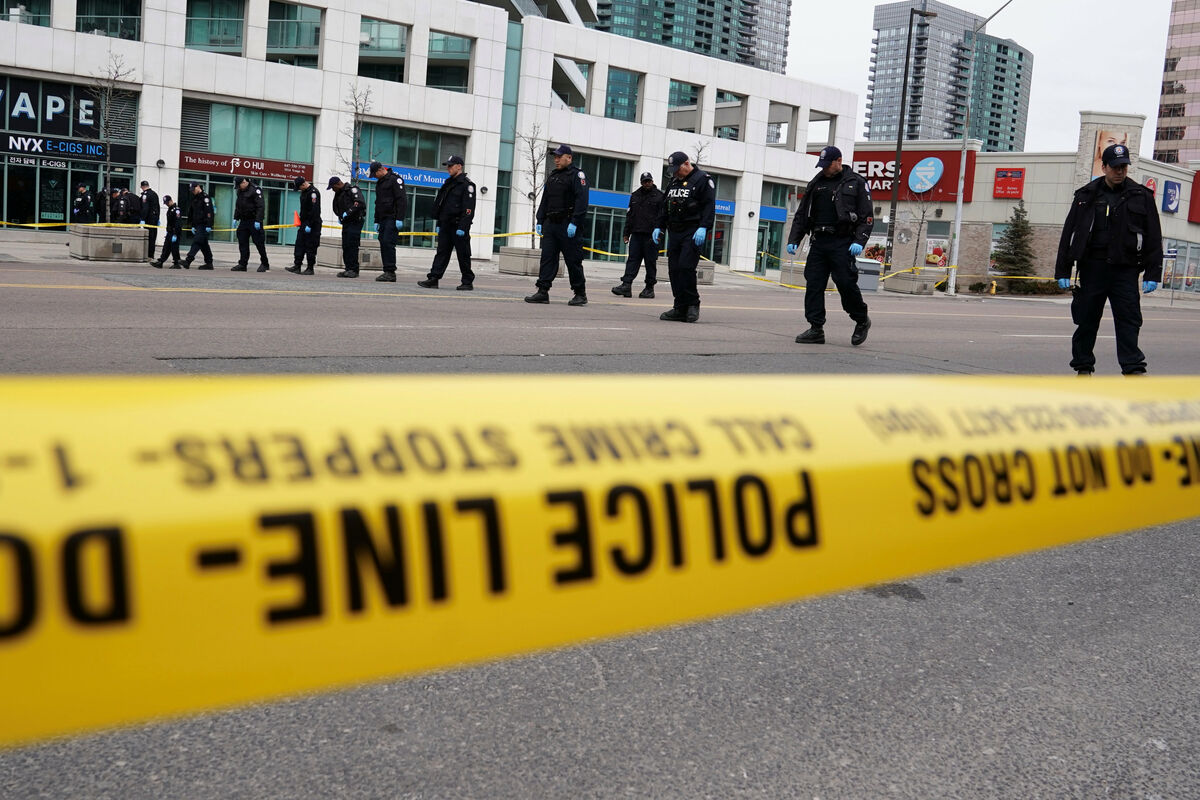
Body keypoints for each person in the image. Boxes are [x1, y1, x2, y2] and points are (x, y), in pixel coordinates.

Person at [1055, 143, 1162, 376]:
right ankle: (1083, 366)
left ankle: (1133, 368)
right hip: (1092, 268)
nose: (1120, 171)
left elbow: (1153, 237)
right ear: (1104, 167)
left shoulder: (1141, 196)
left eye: (1123, 166)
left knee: (1129, 321)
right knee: (1087, 320)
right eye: (1115, 167)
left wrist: (1153, 273)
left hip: (1126, 269)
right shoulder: (1086, 195)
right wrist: (1063, 270)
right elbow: (1069, 233)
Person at [786, 145, 873, 346]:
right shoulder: (815, 183)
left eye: (827, 165)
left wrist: (859, 241)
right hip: (819, 241)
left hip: (842, 242)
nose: (824, 168)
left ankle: (861, 319)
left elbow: (866, 217)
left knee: (845, 284)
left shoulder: (856, 183)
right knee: (814, 284)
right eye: (822, 165)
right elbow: (802, 215)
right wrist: (794, 239)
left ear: (839, 161)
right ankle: (816, 328)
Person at [653, 151, 714, 322]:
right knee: (674, 270)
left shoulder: (703, 180)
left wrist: (704, 227)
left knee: (686, 267)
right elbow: (665, 206)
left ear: (687, 164)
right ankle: (679, 307)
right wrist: (658, 225)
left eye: (677, 170)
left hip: (692, 231)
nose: (676, 174)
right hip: (675, 231)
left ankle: (693, 304)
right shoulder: (674, 182)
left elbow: (709, 206)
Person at [526, 144, 590, 305]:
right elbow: (545, 199)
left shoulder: (577, 175)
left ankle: (580, 293)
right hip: (551, 224)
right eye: (555, 157)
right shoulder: (553, 176)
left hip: (567, 224)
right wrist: (540, 220)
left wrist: (574, 222)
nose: (556, 160)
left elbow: (582, 201)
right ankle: (542, 291)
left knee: (573, 261)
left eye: (559, 157)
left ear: (569, 157)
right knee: (547, 259)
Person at [418, 155, 477, 290]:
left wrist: (463, 227)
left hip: (458, 225)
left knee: (463, 254)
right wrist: (439, 223)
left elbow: (469, 209)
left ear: (459, 166)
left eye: (451, 166)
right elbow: (443, 206)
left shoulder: (467, 185)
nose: (448, 168)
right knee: (442, 252)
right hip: (446, 224)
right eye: (448, 166)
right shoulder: (448, 183)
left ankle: (467, 282)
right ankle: (433, 278)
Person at [612, 171, 664, 299]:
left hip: (651, 236)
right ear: (641, 182)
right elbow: (630, 216)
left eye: (649, 181)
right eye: (645, 181)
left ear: (652, 181)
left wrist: (660, 232)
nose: (647, 183)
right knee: (632, 260)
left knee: (650, 262)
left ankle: (649, 288)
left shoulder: (659, 196)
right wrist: (626, 233)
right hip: (636, 234)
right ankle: (626, 285)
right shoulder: (635, 196)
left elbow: (663, 217)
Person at [371, 161, 408, 282]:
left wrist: (399, 218)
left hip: (392, 217)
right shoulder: (380, 183)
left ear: (380, 170)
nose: (374, 177)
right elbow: (378, 203)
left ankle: (390, 271)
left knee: (388, 242)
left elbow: (401, 200)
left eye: (374, 174)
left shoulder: (395, 180)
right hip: (383, 218)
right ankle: (387, 270)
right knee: (383, 242)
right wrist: (376, 220)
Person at [328, 176, 366, 278]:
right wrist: (340, 216)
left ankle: (354, 269)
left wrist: (348, 213)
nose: (332, 190)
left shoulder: (352, 190)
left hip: (355, 221)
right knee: (346, 245)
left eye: (333, 187)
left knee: (352, 245)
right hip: (346, 222)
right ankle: (348, 268)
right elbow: (337, 206)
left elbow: (360, 203)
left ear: (338, 184)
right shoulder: (339, 193)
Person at [233, 176, 270, 272]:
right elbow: (238, 205)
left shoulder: (255, 190)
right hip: (244, 221)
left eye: (239, 185)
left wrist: (258, 220)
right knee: (242, 242)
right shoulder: (240, 191)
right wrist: (236, 218)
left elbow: (260, 206)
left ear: (244, 182)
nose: (239, 187)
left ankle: (265, 263)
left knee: (259, 243)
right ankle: (242, 264)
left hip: (254, 220)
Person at [286, 176, 321, 276]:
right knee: (299, 244)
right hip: (304, 222)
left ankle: (310, 268)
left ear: (303, 184)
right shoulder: (304, 192)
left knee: (311, 246)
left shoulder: (313, 193)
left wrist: (309, 224)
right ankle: (297, 266)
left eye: (299, 187)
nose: (299, 189)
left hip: (313, 224)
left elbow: (315, 210)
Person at [182, 183, 215, 270]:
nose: (193, 191)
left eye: (194, 189)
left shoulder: (205, 197)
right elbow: (193, 213)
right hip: (198, 224)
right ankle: (209, 263)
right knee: (204, 245)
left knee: (197, 241)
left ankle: (188, 260)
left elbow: (209, 212)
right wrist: (193, 225)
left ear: (198, 187)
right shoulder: (195, 198)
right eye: (191, 190)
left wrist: (209, 225)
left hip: (204, 224)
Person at [151, 195, 183, 269]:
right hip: (170, 232)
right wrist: (167, 231)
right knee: (166, 247)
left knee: (174, 248)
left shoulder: (176, 210)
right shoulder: (170, 209)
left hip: (175, 232)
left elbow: (178, 223)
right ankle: (161, 261)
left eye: (167, 202)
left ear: (171, 201)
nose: (166, 204)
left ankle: (176, 263)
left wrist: (175, 234)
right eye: (165, 203)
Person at [140, 180, 160, 263]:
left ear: (142, 187)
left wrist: (142, 218)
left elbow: (145, 208)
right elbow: (157, 207)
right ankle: (151, 255)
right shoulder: (154, 194)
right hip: (154, 218)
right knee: (153, 237)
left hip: (149, 219)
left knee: (149, 237)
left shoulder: (145, 195)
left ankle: (148, 255)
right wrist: (157, 218)